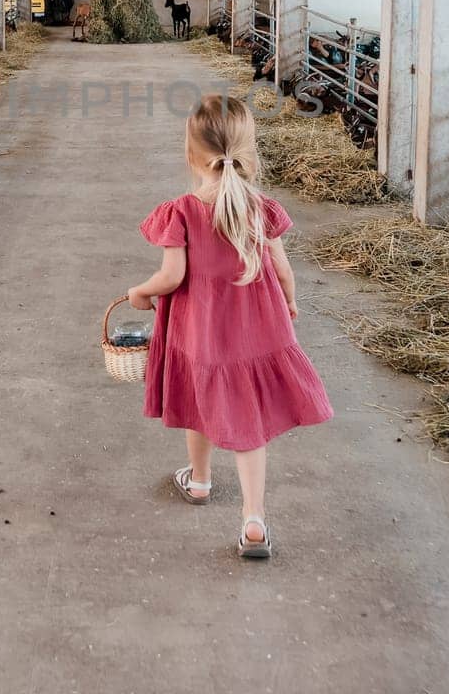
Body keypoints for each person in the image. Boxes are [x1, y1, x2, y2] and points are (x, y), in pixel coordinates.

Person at [129, 93, 332, 559]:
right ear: (247, 152)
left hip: (200, 334)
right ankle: (254, 520)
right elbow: (283, 270)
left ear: (191, 156)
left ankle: (199, 481)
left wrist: (141, 293)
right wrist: (291, 303)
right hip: (254, 333)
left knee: (199, 397)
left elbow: (172, 277)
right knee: (249, 425)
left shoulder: (180, 212)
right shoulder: (259, 208)